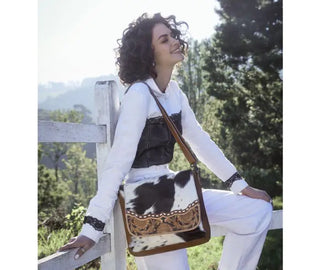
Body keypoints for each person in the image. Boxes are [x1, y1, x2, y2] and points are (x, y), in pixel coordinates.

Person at [59, 13, 273, 270]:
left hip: (174, 188)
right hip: (146, 200)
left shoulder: (174, 93)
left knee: (255, 212)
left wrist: (240, 186)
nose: (174, 42)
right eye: (164, 39)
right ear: (149, 55)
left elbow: (200, 141)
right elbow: (117, 163)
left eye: (172, 36)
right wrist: (92, 228)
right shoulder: (139, 94)